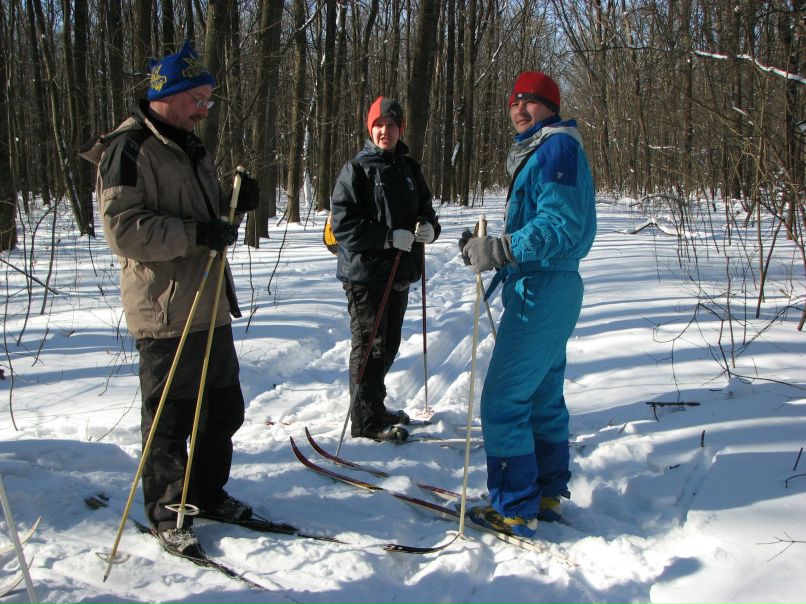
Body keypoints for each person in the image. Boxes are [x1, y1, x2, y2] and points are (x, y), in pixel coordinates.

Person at [80, 41, 260, 557]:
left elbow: (204, 221)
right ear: (168, 94)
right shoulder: (128, 148)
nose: (205, 109)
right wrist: (198, 232)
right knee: (170, 420)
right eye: (197, 98)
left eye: (208, 99)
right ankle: (166, 511)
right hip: (164, 311)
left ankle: (206, 494)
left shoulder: (189, 143)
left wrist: (232, 205)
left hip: (207, 303)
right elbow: (124, 231)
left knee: (222, 410)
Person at [460, 71, 596, 536]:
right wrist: (489, 247)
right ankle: (545, 491)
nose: (520, 109)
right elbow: (538, 224)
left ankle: (515, 504)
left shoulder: (555, 148)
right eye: (515, 101)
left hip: (544, 288)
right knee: (540, 395)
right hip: (542, 285)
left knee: (502, 400)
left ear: (551, 107)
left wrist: (502, 248)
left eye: (532, 102)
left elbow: (561, 227)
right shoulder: (542, 149)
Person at [330, 96, 441, 443]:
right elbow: (343, 224)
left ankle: (375, 404)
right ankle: (364, 420)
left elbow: (426, 211)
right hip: (365, 274)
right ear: (370, 128)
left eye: (391, 125)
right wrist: (388, 237)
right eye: (378, 125)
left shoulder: (409, 169)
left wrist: (428, 228)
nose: (384, 131)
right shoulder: (357, 170)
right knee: (369, 346)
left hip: (399, 273)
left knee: (389, 345)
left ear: (399, 129)